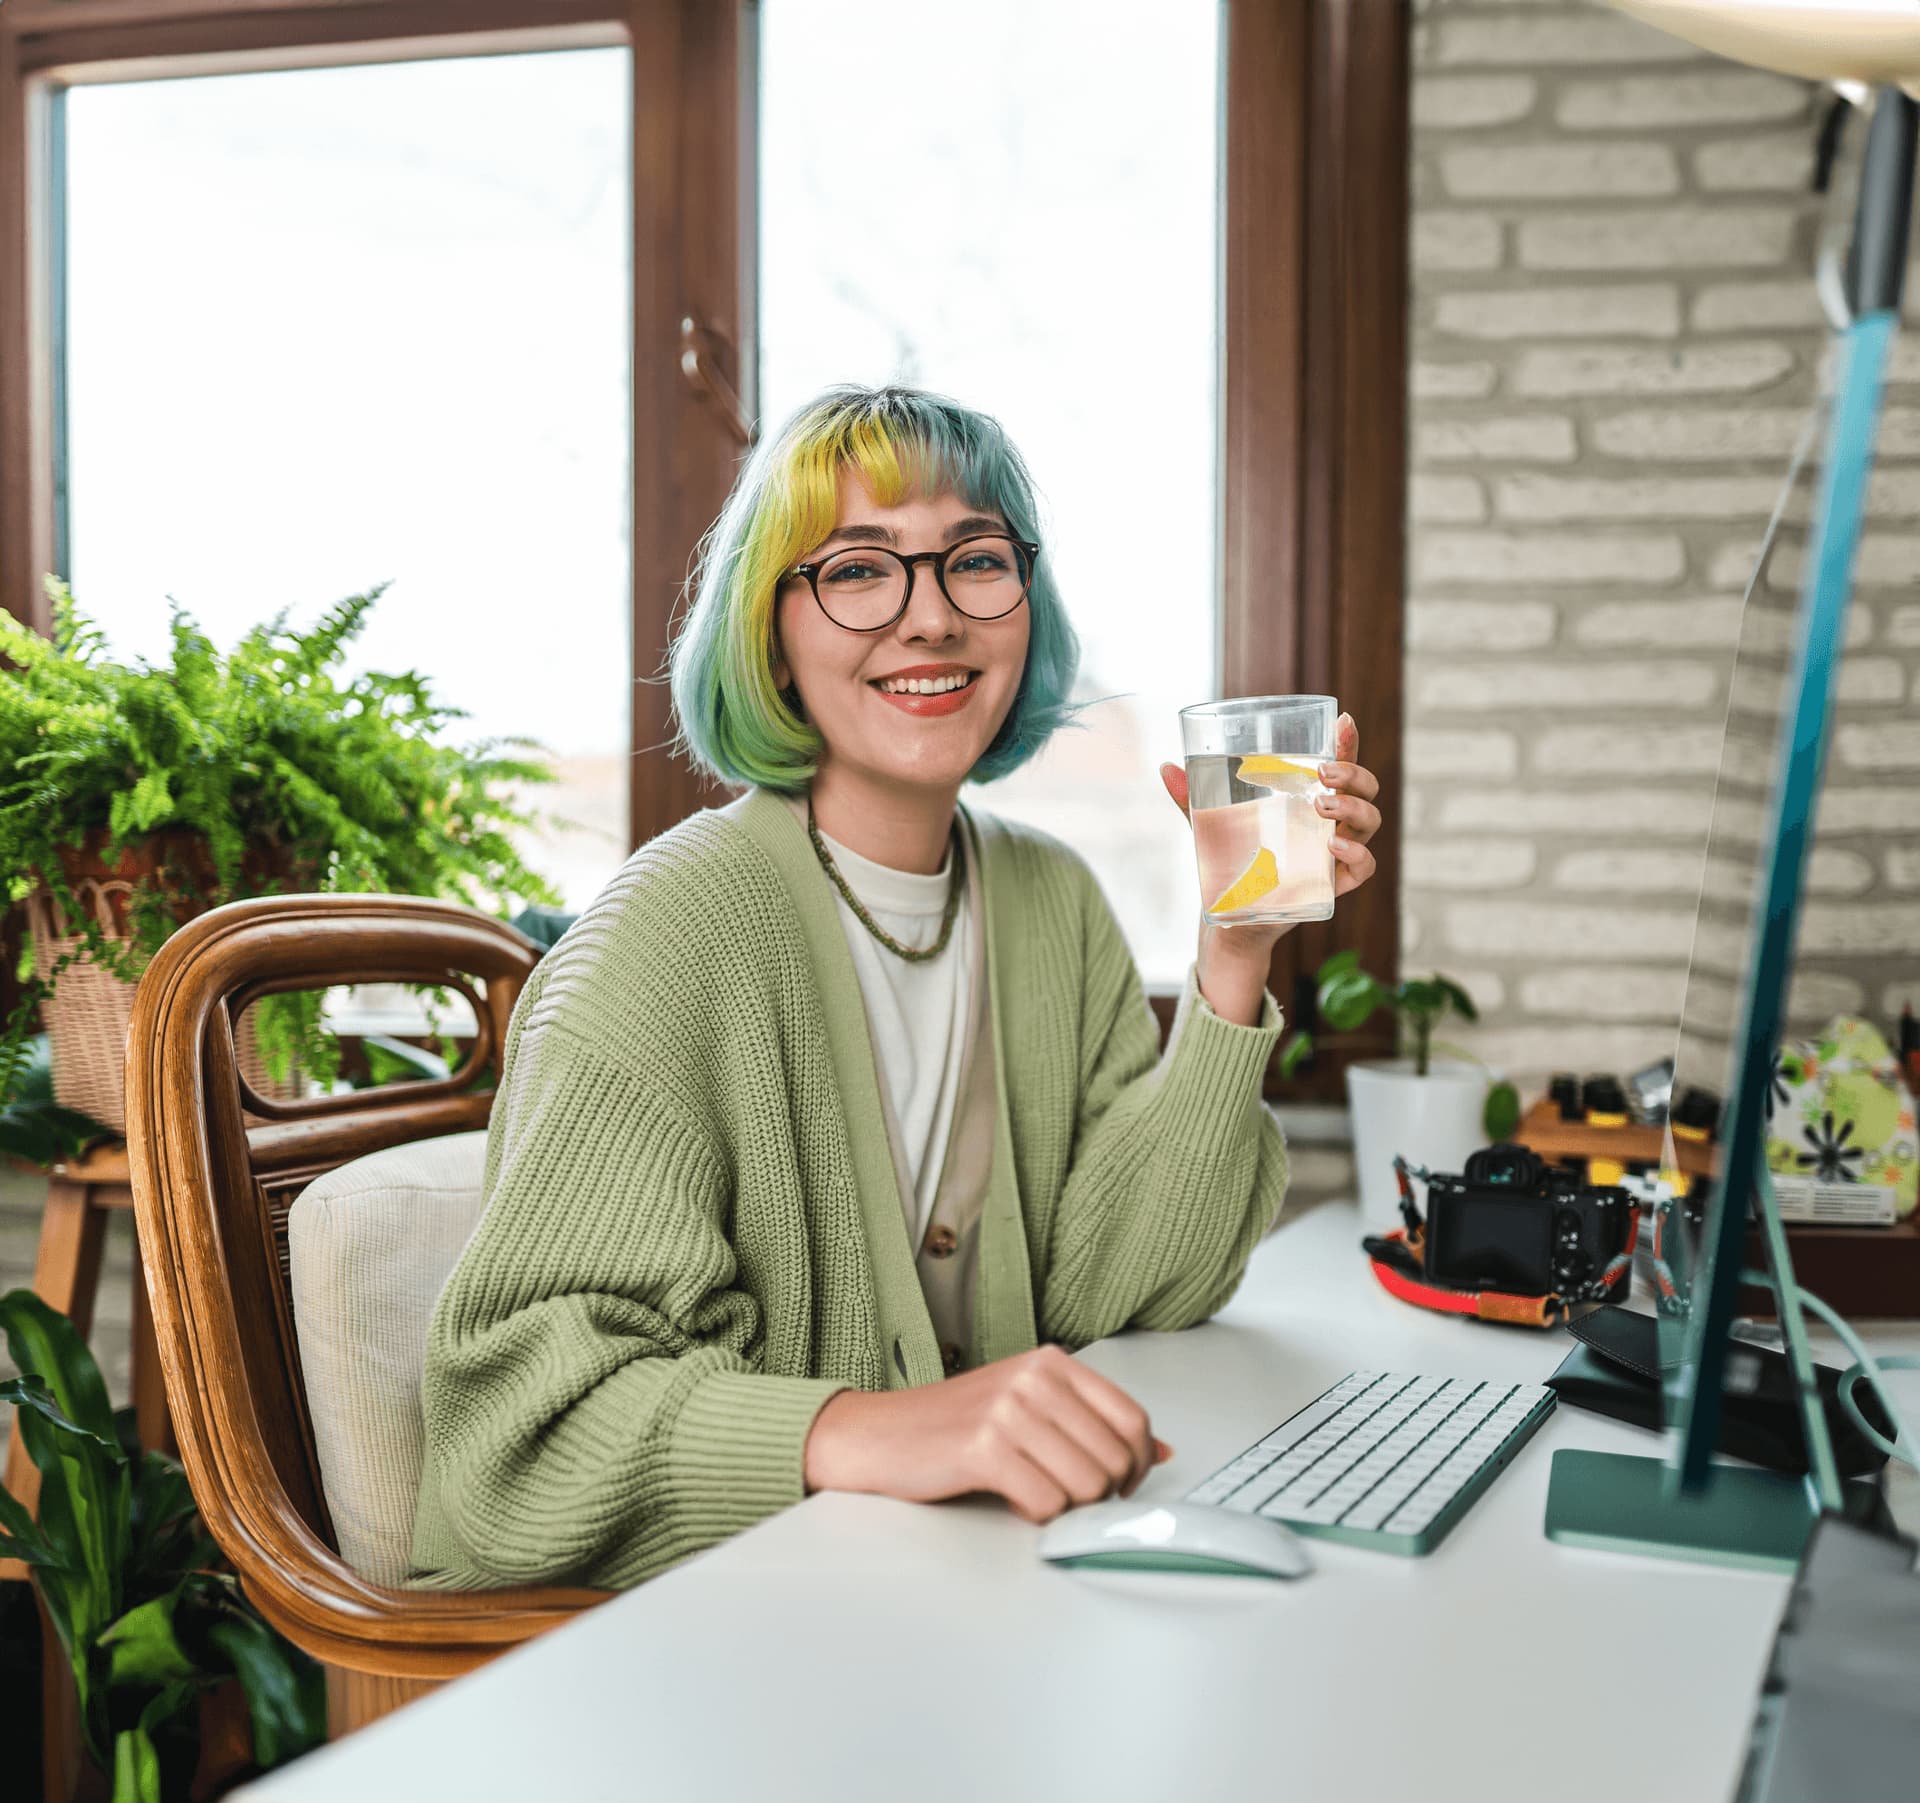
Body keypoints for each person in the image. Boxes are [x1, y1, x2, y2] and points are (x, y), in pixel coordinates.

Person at [410, 385, 1383, 1591]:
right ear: (771, 631)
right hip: (726, 1632)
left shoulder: (1051, 901)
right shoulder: (663, 940)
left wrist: (1235, 956)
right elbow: (517, 1443)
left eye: (974, 561)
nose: (930, 620)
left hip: (966, 1589)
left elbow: (1127, 1287)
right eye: (860, 572)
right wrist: (865, 1430)